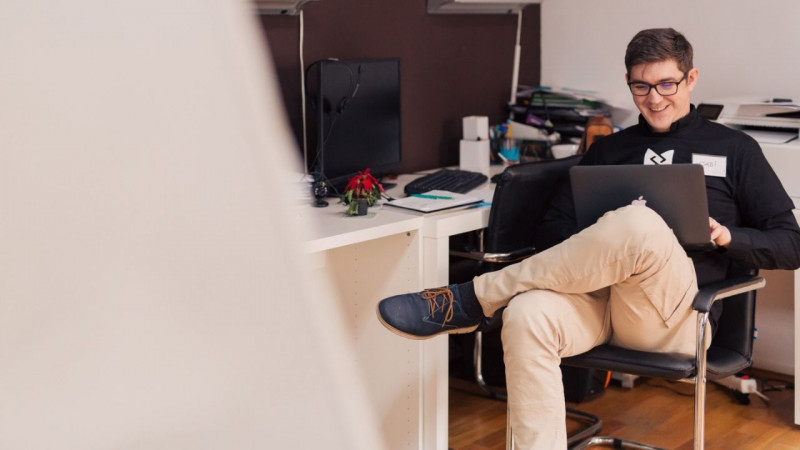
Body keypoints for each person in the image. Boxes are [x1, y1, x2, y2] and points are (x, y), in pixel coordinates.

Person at [376, 28, 800, 448]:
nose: (654, 98)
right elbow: (553, 231)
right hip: (597, 303)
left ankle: (474, 298)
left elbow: (791, 244)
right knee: (526, 313)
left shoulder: (736, 149)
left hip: (676, 317)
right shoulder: (609, 150)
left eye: (666, 84)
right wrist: (600, 236)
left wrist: (727, 236)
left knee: (640, 223)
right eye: (641, 86)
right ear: (629, 83)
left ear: (691, 79)